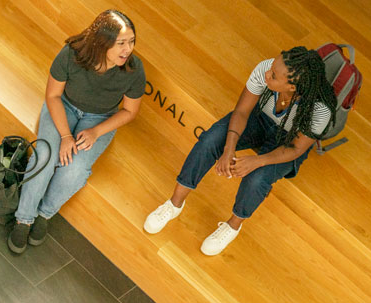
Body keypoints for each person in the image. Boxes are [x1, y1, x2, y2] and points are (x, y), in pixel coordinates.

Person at [144, 46, 337, 255]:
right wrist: (228, 149)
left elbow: (295, 149)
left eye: (273, 75)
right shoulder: (266, 68)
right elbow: (242, 111)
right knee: (210, 141)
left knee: (257, 179)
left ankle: (233, 225)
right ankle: (174, 204)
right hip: (258, 119)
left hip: (286, 141)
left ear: (292, 86)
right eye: (271, 67)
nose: (266, 73)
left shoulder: (319, 109)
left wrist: (257, 161)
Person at [8, 9, 146, 254]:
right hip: (64, 106)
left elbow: (129, 112)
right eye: (121, 43)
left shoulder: (134, 69)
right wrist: (65, 136)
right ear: (102, 42)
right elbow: (52, 95)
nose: (128, 49)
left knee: (75, 169)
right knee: (46, 156)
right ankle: (24, 218)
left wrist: (95, 132)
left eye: (132, 42)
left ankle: (45, 213)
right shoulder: (71, 54)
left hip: (100, 118)